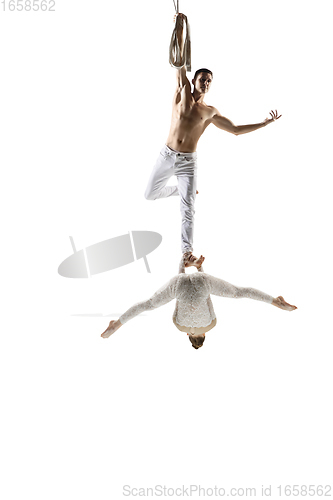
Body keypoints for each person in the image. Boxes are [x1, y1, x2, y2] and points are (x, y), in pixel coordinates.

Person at [144, 13, 281, 261]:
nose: (205, 83)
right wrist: (178, 25)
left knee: (188, 209)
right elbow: (179, 59)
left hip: (188, 162)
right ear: (193, 80)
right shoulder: (182, 91)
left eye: (209, 81)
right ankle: (183, 190)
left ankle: (187, 253)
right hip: (167, 155)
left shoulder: (209, 112)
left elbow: (236, 130)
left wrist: (264, 123)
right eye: (202, 79)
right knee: (149, 194)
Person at [101, 255, 296, 349]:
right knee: (149, 305)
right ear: (188, 335)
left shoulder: (211, 325)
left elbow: (208, 299)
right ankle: (116, 325)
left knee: (238, 292)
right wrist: (183, 273)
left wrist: (202, 273)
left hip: (202, 283)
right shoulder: (179, 327)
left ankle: (275, 302)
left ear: (203, 335)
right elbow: (180, 296)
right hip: (179, 283)